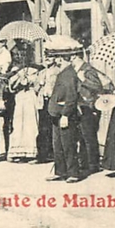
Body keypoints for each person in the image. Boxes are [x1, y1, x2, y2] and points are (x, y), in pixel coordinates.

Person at [46, 38, 84, 183]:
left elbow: (71, 97)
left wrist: (65, 115)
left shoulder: (69, 74)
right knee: (58, 145)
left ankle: (73, 173)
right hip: (57, 114)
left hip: (64, 115)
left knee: (68, 144)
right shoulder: (63, 73)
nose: (57, 61)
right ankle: (60, 171)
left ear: (63, 59)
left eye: (58, 58)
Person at [71, 49, 114, 175]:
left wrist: (83, 80)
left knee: (89, 137)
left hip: (89, 107)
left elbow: (97, 86)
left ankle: (93, 165)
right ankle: (84, 163)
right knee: (82, 136)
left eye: (72, 57)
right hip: (81, 106)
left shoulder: (88, 70)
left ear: (76, 57)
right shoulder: (79, 70)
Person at [6, 40, 43, 162]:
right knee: (18, 123)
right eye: (19, 55)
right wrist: (17, 79)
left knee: (31, 124)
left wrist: (29, 80)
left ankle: (31, 153)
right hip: (20, 98)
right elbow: (10, 86)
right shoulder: (15, 69)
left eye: (24, 54)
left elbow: (39, 85)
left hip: (30, 98)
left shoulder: (35, 69)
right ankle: (18, 151)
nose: (21, 57)